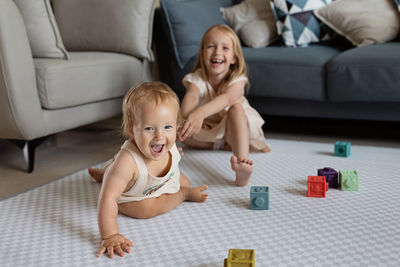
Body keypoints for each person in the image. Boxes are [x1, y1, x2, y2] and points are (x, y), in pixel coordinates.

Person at [93, 82, 208, 259]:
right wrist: (110, 235)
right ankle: (183, 195)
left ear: (176, 125)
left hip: (155, 182)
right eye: (149, 128)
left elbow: (169, 153)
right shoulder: (127, 163)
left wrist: (174, 155)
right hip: (135, 194)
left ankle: (105, 173)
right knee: (145, 209)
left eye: (168, 127)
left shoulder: (166, 144)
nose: (160, 136)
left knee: (184, 181)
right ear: (132, 130)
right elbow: (108, 198)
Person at [178, 24, 270, 187]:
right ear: (202, 53)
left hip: (238, 128)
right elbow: (191, 97)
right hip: (212, 128)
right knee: (184, 135)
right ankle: (218, 145)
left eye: (225, 48)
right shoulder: (196, 78)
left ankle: (242, 164)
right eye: (211, 46)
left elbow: (227, 98)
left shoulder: (237, 79)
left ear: (234, 58)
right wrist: (186, 120)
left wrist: (199, 113)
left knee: (235, 109)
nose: (217, 52)